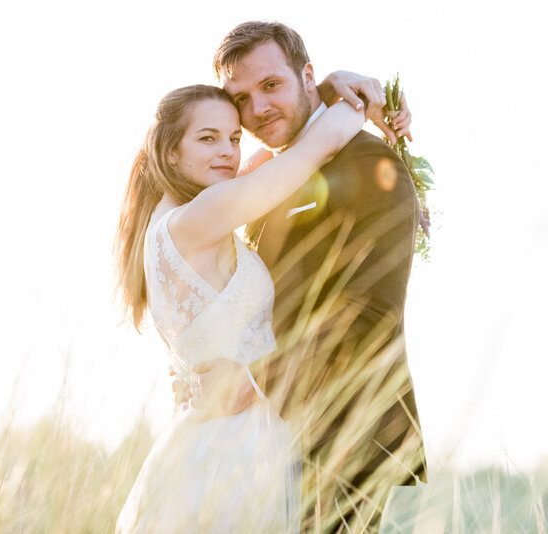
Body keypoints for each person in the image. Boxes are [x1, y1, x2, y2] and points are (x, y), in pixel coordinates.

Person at [178, 21, 427, 533]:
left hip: (346, 444)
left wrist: (248, 380)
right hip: (263, 445)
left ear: (307, 76)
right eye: (241, 98)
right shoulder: (264, 176)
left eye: (271, 86)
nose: (258, 110)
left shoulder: (370, 165)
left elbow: (369, 315)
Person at [113, 76, 372, 532]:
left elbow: (270, 161)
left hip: (206, 444)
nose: (228, 152)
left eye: (233, 138)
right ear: (170, 151)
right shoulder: (200, 217)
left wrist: (327, 86)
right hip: (239, 448)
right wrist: (364, 98)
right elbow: (317, 147)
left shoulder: (174, 219)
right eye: (208, 138)